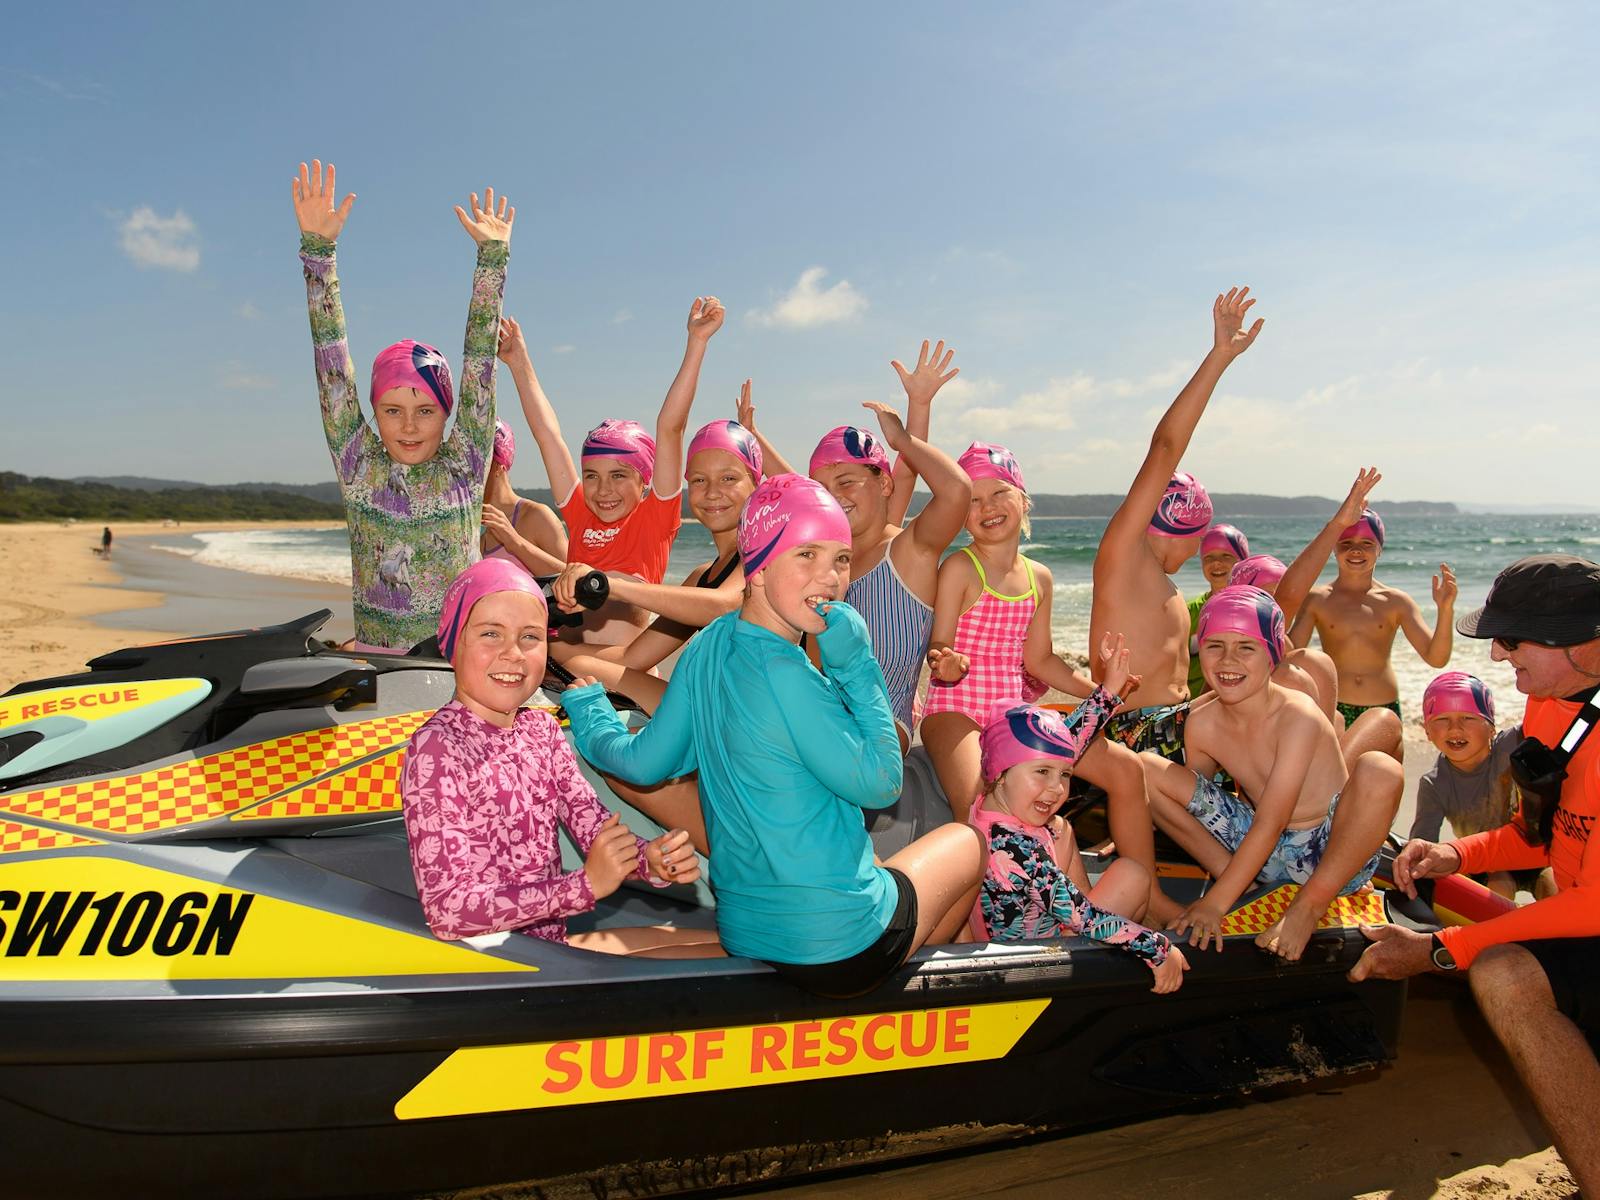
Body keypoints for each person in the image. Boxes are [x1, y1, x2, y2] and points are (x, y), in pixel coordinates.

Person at [563, 474, 984, 998]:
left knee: (872, 859)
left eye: (841, 559)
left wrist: (591, 713)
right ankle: (934, 989)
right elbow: (880, 784)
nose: (829, 578)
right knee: (968, 841)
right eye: (805, 555)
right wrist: (856, 666)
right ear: (757, 566)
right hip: (844, 948)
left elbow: (645, 763)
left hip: (747, 931)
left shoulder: (708, 644)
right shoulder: (790, 672)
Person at [1352, 555, 1600, 1197]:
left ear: (1577, 640)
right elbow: (1537, 837)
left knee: (1488, 959)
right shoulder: (1552, 706)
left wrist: (1440, 949)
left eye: (1511, 639)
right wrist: (1455, 857)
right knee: (1505, 974)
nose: (1495, 654)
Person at [399, 559, 717, 958]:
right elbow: (450, 911)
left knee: (729, 943)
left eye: (529, 637)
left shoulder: (540, 731)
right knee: (727, 960)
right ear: (451, 643)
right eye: (491, 634)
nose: (513, 654)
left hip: (548, 946)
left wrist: (648, 861)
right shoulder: (436, 749)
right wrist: (583, 887)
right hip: (492, 965)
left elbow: (595, 828)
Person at [293, 159, 512, 652]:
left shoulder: (465, 463)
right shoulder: (358, 465)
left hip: (457, 667)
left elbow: (481, 359)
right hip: (379, 671)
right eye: (392, 410)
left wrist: (492, 259)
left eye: (426, 411)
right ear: (372, 412)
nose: (409, 425)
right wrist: (319, 255)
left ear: (449, 414)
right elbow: (330, 358)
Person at [1143, 585, 1402, 959]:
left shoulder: (1297, 715)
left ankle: (1308, 905)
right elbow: (1197, 806)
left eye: (1246, 647)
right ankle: (1239, 880)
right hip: (1263, 855)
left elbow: (1272, 821)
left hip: (1329, 851)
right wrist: (1141, 808)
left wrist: (1215, 904)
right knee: (1147, 771)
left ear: (1273, 655)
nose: (1228, 660)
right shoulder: (1201, 723)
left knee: (1381, 769)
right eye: (1215, 646)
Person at [1087, 287, 1263, 759]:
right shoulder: (1125, 557)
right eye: (1195, 543)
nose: (1195, 557)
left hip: (1178, 731)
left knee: (1298, 680)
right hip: (1132, 732)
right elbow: (1165, 448)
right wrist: (1219, 358)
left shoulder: (1168, 593)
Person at [498, 297, 724, 647]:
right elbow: (548, 436)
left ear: (644, 481)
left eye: (618, 475)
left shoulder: (655, 519)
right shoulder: (580, 514)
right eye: (592, 475)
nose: (603, 489)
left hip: (621, 674)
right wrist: (518, 362)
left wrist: (697, 342)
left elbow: (671, 428)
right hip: (561, 663)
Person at [921, 440, 1096, 818]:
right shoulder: (961, 568)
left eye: (999, 492)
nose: (988, 507)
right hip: (955, 709)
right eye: (973, 500)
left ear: (1023, 499)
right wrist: (944, 660)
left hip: (1011, 716)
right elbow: (939, 642)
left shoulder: (1040, 578)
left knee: (1052, 802)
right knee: (977, 804)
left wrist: (1099, 694)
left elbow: (1041, 660)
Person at [970, 695, 1188, 994]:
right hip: (1033, 972)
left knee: (1070, 834)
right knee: (1132, 878)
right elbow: (1081, 915)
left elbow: (1065, 741)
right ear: (1002, 773)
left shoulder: (990, 805)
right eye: (1043, 772)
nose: (1057, 788)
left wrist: (1107, 696)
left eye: (1065, 774)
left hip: (1039, 939)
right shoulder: (1012, 847)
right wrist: (1156, 948)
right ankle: (1108, 974)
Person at [808, 367, 971, 747]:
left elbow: (956, 491)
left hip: (877, 730)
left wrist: (902, 438)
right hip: (814, 713)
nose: (835, 497)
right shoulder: (826, 562)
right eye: (823, 489)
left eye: (846, 482)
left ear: (883, 483)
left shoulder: (906, 551)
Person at [1286, 495, 1458, 731]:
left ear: (1380, 549)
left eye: (1366, 543)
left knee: (1384, 768)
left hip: (1383, 706)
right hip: (1334, 707)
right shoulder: (1317, 599)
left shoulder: (1395, 601)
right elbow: (1292, 655)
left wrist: (1445, 609)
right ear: (1334, 548)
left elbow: (1436, 658)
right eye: (1346, 543)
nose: (1356, 551)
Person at [1409, 670, 1549, 900]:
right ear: (1427, 731)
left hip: (1532, 852)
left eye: (1468, 718)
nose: (1455, 729)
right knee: (1499, 881)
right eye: (1442, 719)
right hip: (1482, 862)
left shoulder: (1512, 745)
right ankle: (1501, 934)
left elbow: (1550, 712)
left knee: (1552, 881)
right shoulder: (1434, 784)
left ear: (1491, 727)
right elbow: (1423, 846)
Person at [479, 420, 568, 576]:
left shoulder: (537, 516)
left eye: (477, 462)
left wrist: (514, 542)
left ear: (499, 465)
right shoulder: (478, 533)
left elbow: (578, 582)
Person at [1184, 524, 1250, 697]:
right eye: (1208, 557)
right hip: (1196, 704)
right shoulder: (1188, 612)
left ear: (1243, 560)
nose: (1216, 563)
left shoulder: (1255, 609)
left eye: (1226, 556)